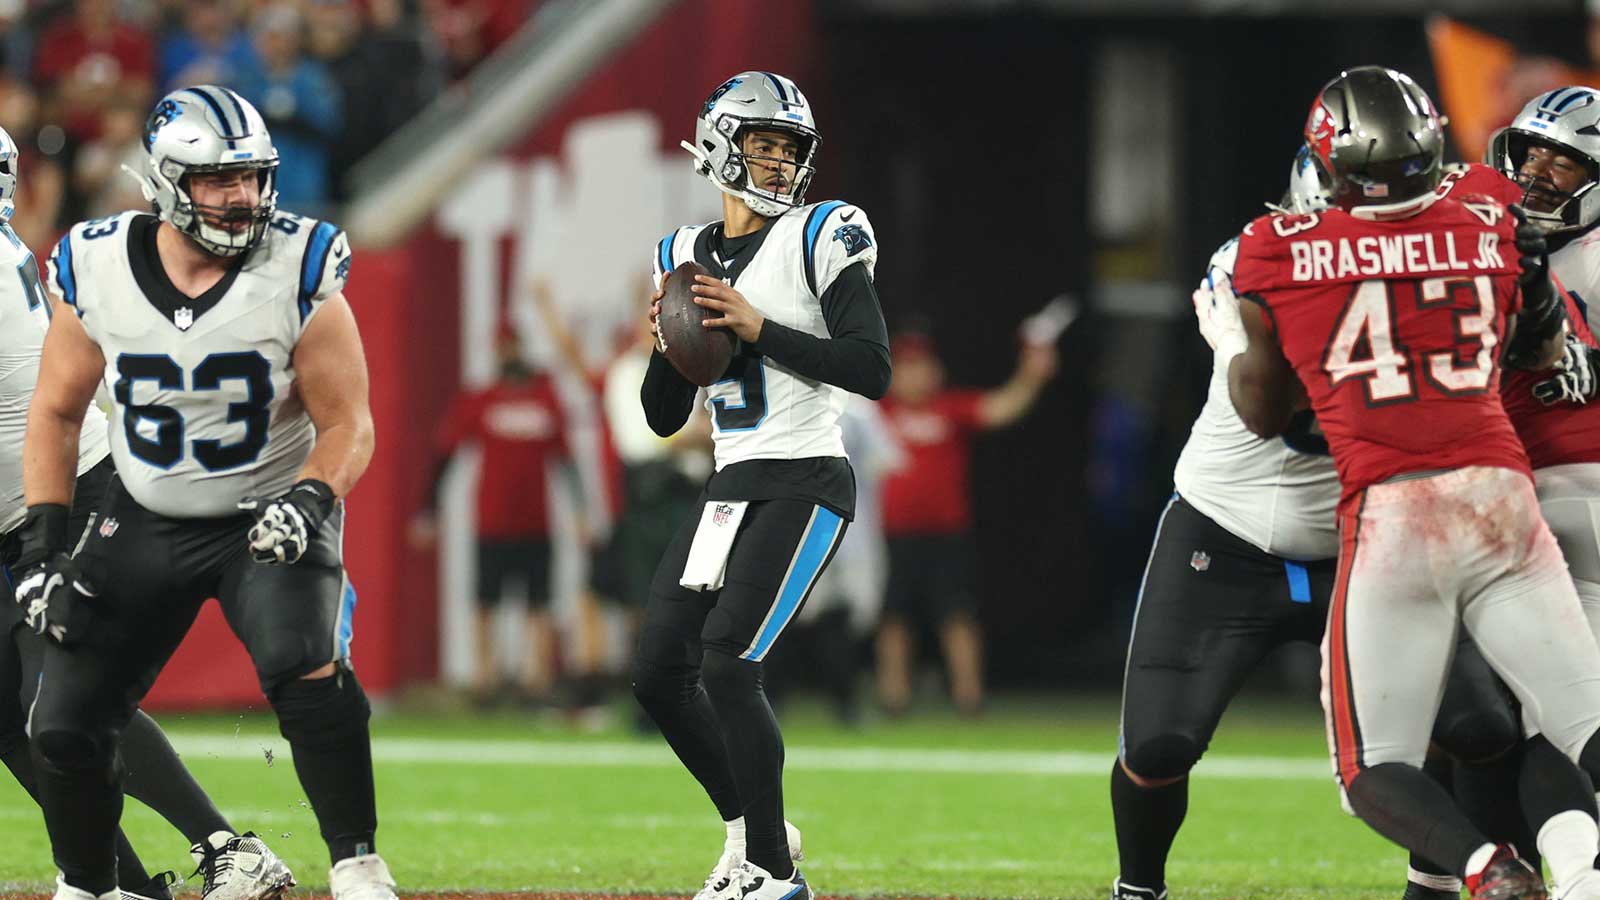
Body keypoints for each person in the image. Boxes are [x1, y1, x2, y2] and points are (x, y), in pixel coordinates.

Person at [1226, 66, 1600, 898]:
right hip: (1506, 499)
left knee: (1373, 767)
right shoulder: (1489, 218)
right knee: (1578, 724)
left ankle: (1481, 866)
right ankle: (1576, 875)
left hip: (1396, 514)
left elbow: (1263, 412)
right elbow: (1540, 345)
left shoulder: (1274, 248)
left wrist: (1237, 334)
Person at [17, 85, 394, 900]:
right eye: (219, 181)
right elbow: (54, 411)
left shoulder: (301, 265)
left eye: (255, 178)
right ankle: (89, 886)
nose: (244, 198)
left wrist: (312, 500)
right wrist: (46, 545)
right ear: (163, 181)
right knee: (60, 723)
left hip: (264, 513)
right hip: (144, 510)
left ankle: (358, 865)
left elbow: (349, 425)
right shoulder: (97, 263)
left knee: (304, 663)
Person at [0, 121, 293, 900]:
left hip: (65, 494)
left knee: (68, 694)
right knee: (11, 720)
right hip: (18, 505)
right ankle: (123, 885)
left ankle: (228, 848)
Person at [632, 71, 891, 900]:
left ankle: (773, 875)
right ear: (717, 146)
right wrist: (667, 347)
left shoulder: (824, 232)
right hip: (729, 482)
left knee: (729, 665)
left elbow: (870, 366)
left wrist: (758, 327)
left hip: (807, 476)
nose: (779, 165)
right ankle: (752, 831)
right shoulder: (681, 252)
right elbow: (663, 417)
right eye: (763, 146)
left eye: (789, 150)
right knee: (656, 672)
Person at [874, 328, 1055, 715]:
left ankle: (969, 698)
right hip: (892, 535)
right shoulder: (876, 413)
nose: (913, 375)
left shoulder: (950, 409)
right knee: (892, 617)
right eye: (905, 367)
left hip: (947, 535)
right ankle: (893, 697)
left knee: (957, 615)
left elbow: (1003, 407)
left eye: (920, 366)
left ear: (935, 370)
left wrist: (1032, 375)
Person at [413, 321, 583, 706]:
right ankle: (485, 681)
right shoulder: (481, 399)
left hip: (536, 521)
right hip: (492, 521)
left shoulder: (545, 397)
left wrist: (580, 511)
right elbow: (445, 455)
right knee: (486, 601)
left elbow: (566, 459)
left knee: (538, 602)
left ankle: (535, 682)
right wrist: (429, 510)